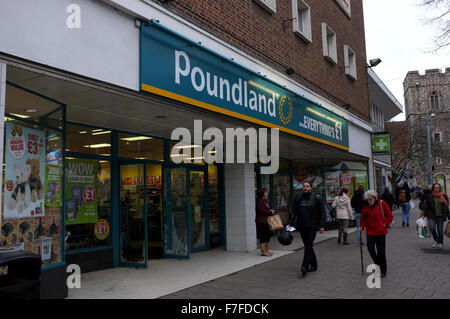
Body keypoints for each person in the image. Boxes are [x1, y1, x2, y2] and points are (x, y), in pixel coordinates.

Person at [287, 181, 325, 277]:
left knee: (308, 246)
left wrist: (322, 225)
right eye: (304, 186)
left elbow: (322, 212)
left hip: (312, 226)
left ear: (311, 188)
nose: (305, 188)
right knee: (308, 246)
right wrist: (289, 223)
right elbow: (294, 211)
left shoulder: (317, 198)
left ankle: (304, 266)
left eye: (307, 186)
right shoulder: (298, 198)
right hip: (302, 226)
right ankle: (314, 265)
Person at [359, 190, 393, 278]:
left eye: (370, 199)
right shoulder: (366, 207)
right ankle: (377, 264)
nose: (369, 202)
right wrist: (361, 226)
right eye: (367, 200)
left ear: (374, 197)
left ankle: (383, 270)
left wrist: (385, 224)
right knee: (370, 248)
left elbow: (390, 216)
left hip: (381, 231)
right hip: (370, 231)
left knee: (381, 252)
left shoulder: (382, 203)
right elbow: (363, 219)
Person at [424, 183, 449, 249]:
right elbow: (426, 206)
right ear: (433, 188)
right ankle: (436, 240)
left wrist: (449, 216)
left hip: (441, 216)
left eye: (438, 187)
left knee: (440, 231)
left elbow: (446, 207)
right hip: (432, 216)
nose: (437, 189)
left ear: (439, 188)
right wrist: (424, 215)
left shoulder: (443, 196)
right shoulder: (430, 196)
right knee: (432, 228)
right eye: (435, 187)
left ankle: (440, 242)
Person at [255, 188, 275, 256]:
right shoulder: (260, 201)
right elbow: (261, 211)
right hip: (261, 222)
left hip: (266, 221)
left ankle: (266, 250)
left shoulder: (264, 200)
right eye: (266, 192)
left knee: (267, 236)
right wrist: (270, 212)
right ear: (262, 193)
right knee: (263, 237)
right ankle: (263, 252)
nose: (267, 193)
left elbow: (264, 209)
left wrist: (270, 211)